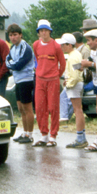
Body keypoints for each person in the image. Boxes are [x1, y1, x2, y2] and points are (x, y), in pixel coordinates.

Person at [32, 19, 66, 147]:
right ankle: (44, 134)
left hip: (53, 80)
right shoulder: (36, 45)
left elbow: (62, 63)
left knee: (53, 107)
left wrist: (57, 75)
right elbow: (37, 59)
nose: (44, 33)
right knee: (40, 107)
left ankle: (53, 135)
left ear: (50, 31)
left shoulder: (56, 46)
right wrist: (39, 71)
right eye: (41, 31)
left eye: (46, 30)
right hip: (40, 79)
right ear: (38, 33)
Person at [5, 23, 35, 144]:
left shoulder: (25, 47)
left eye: (15, 35)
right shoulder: (13, 48)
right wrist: (12, 64)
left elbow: (18, 65)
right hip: (17, 80)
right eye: (11, 35)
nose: (13, 38)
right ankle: (24, 132)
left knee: (27, 108)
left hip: (26, 80)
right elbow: (7, 61)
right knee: (20, 108)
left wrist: (12, 64)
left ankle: (30, 134)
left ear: (20, 35)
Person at [59, 33, 87, 148]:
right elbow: (75, 72)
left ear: (69, 45)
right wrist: (68, 81)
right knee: (78, 110)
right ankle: (81, 137)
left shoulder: (73, 56)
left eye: (63, 45)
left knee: (78, 110)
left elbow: (75, 75)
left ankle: (80, 138)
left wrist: (69, 84)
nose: (61, 47)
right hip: (76, 84)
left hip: (75, 85)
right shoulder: (75, 54)